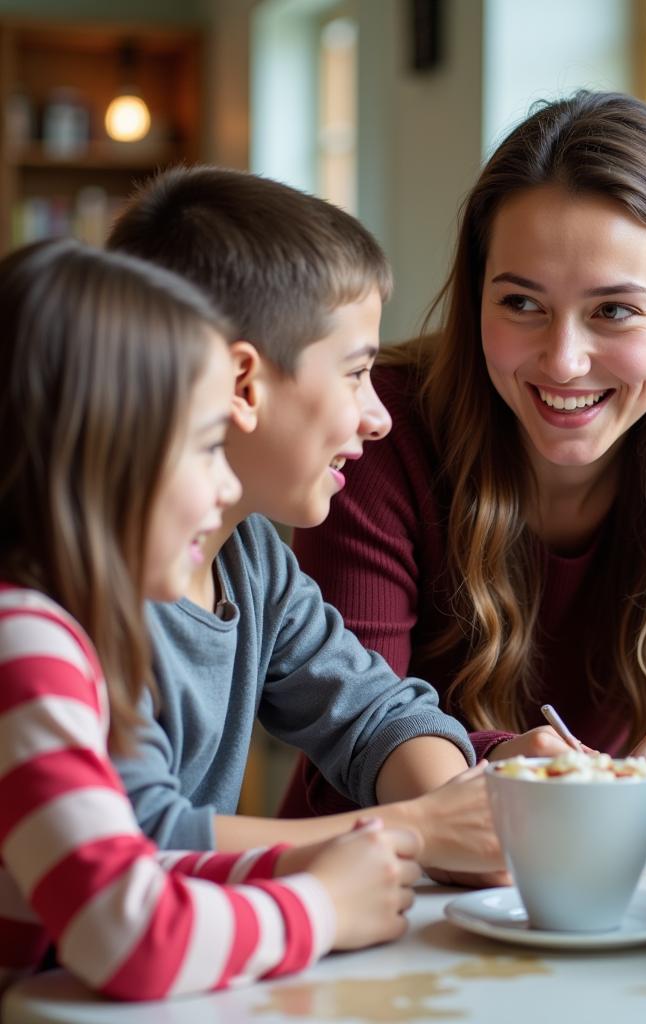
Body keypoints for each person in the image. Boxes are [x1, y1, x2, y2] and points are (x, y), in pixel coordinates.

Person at [285, 90, 646, 832]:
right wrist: (502, 764)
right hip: (377, 884)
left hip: (603, 880)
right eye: (522, 304)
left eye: (613, 311)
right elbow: (350, 737)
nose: (563, 361)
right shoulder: (380, 436)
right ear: (476, 299)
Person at [0, 239, 422, 1000]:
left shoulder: (52, 632)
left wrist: (323, 867)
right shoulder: (23, 645)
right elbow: (126, 933)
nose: (226, 482)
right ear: (102, 459)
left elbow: (130, 865)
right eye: (203, 449)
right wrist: (322, 907)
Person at [105, 167, 502, 885]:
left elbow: (375, 715)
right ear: (244, 386)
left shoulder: (250, 555)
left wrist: (465, 808)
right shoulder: (87, 580)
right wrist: (417, 830)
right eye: (355, 374)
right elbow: (131, 834)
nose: (379, 415)